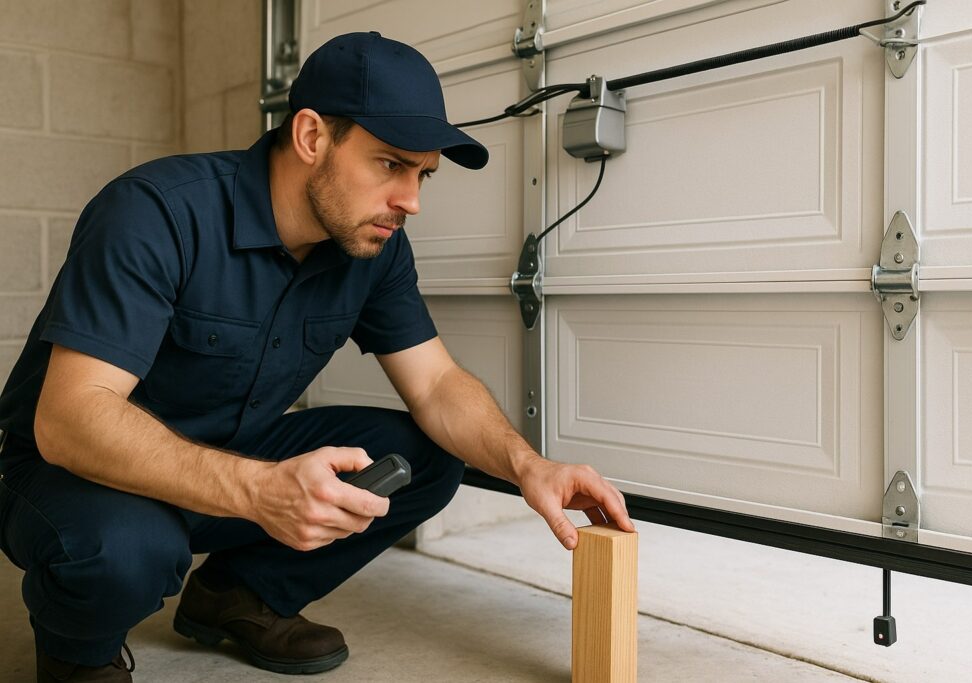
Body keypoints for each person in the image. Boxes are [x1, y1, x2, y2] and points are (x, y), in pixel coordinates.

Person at [0, 31, 634, 682]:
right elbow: (69, 419)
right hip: (70, 472)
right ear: (310, 136)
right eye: (390, 164)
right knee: (127, 548)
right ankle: (79, 653)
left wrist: (527, 464)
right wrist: (258, 490)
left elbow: (437, 382)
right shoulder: (157, 213)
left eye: (422, 174)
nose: (411, 200)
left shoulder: (376, 246)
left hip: (232, 453)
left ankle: (236, 595)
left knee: (424, 457)